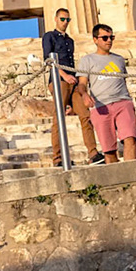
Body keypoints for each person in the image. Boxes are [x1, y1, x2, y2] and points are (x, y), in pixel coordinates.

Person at [80, 25, 136, 163]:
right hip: (101, 107)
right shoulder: (87, 60)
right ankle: (120, 181)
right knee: (109, 150)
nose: (109, 41)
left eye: (111, 37)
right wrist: (84, 95)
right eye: (105, 38)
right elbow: (82, 83)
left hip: (122, 102)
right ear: (95, 40)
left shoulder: (119, 59)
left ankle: (132, 176)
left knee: (131, 138)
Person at [40, 9, 82, 167]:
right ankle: (58, 158)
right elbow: (48, 60)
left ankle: (93, 153)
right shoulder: (49, 36)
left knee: (84, 113)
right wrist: (64, 76)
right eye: (62, 19)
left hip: (73, 80)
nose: (65, 22)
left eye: (67, 20)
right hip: (59, 80)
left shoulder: (70, 41)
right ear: (56, 19)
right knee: (59, 118)